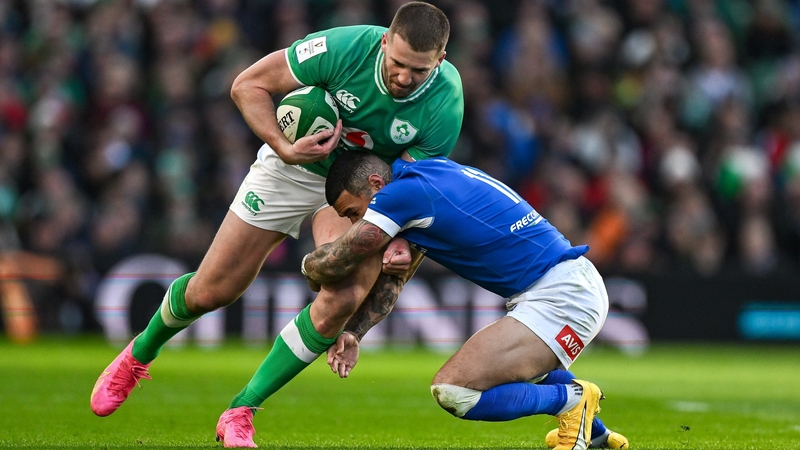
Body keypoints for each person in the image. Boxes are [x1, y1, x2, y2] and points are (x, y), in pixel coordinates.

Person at [90, 2, 463, 448]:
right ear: (385, 40)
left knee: (344, 293)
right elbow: (248, 84)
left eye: (418, 71)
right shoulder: (345, 48)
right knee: (213, 290)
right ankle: (139, 353)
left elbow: (410, 185)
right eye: (397, 63)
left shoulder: (446, 102)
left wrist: (399, 244)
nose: (403, 77)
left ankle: (241, 410)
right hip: (292, 165)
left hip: (359, 185)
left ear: (438, 61)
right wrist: (282, 147)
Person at [301, 151, 629, 450]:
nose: (358, 222)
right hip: (562, 284)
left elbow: (338, 260)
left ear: (376, 183)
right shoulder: (429, 173)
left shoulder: (398, 196)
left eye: (355, 212)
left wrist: (308, 268)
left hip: (563, 296)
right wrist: (355, 332)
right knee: (514, 369)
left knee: (454, 390)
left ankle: (572, 401)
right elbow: (393, 282)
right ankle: (597, 434)